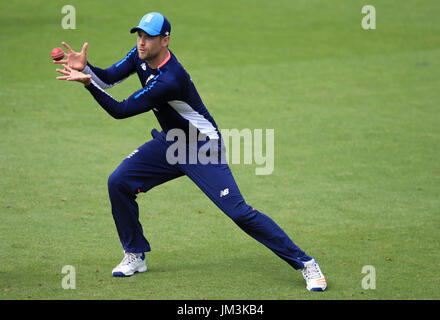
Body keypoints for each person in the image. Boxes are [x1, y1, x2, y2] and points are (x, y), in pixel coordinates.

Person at [54, 12, 327, 292]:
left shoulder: (169, 79)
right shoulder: (140, 56)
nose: (142, 42)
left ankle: (306, 263)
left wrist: (88, 83)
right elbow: (110, 79)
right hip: (171, 142)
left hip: (201, 148)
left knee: (239, 213)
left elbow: (120, 110)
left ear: (165, 40)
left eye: (148, 37)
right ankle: (135, 254)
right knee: (119, 182)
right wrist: (88, 68)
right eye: (139, 35)